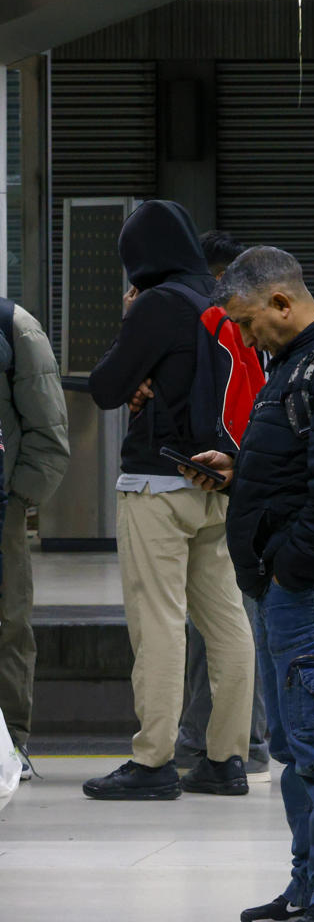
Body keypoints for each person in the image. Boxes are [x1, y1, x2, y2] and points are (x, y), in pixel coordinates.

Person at [189, 246, 314, 922]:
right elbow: (305, 473)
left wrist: (288, 569)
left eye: (248, 323)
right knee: (295, 748)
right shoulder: (297, 368)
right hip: (290, 592)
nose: (245, 338)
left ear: (282, 302)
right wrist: (242, 470)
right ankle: (310, 884)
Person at [84, 200, 256, 801]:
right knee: (227, 622)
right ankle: (226, 759)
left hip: (157, 487)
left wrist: (131, 330)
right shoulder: (217, 301)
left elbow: (106, 387)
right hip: (217, 482)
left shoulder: (155, 304)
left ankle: (153, 761)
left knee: (157, 622)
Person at [178, 228, 272, 778]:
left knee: (218, 624)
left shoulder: (220, 325)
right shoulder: (274, 334)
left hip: (228, 485)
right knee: (241, 620)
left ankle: (208, 741)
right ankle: (247, 740)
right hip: (256, 485)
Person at [0, 295, 71, 783]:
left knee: (8, 623)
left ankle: (10, 741)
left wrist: (18, 497)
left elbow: (48, 428)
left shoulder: (15, 327)